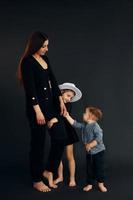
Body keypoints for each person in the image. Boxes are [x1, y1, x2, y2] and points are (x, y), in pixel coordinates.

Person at [17, 31, 68, 192]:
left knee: (61, 137)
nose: (46, 49)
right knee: (38, 144)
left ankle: (48, 170)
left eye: (47, 46)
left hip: (51, 107)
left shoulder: (45, 59)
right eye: (44, 46)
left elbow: (53, 79)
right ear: (36, 46)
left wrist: (60, 100)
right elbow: (30, 90)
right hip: (36, 109)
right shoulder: (27, 62)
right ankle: (37, 179)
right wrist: (38, 112)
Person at [64, 106, 108, 192]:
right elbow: (75, 124)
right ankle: (89, 183)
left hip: (99, 152)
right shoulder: (85, 125)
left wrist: (91, 144)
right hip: (89, 153)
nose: (83, 114)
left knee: (99, 168)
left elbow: (99, 138)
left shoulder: (95, 126)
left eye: (85, 113)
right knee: (89, 168)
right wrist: (67, 116)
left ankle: (101, 183)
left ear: (91, 116)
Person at [48, 83, 82, 187]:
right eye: (68, 96)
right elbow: (51, 112)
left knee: (69, 156)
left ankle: (72, 178)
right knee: (58, 155)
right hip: (58, 131)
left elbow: (63, 116)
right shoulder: (54, 101)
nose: (69, 98)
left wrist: (55, 119)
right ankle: (60, 176)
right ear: (61, 93)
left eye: (71, 97)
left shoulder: (68, 104)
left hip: (68, 131)